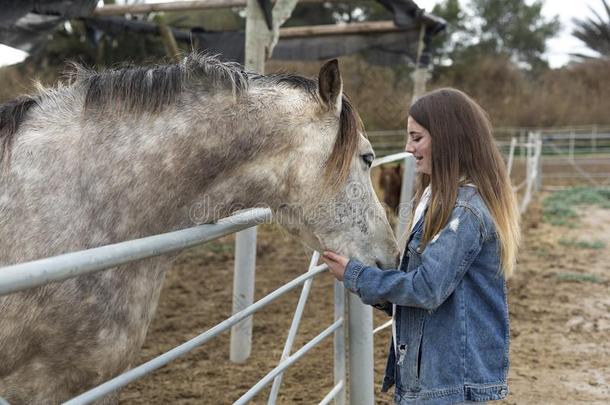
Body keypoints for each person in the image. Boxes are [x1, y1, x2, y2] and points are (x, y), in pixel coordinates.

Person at [322, 88, 520, 405]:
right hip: (434, 373)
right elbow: (428, 286)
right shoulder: (439, 200)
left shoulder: (464, 212)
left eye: (416, 138)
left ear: (447, 139)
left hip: (447, 381)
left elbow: (426, 289)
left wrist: (356, 275)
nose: (408, 147)